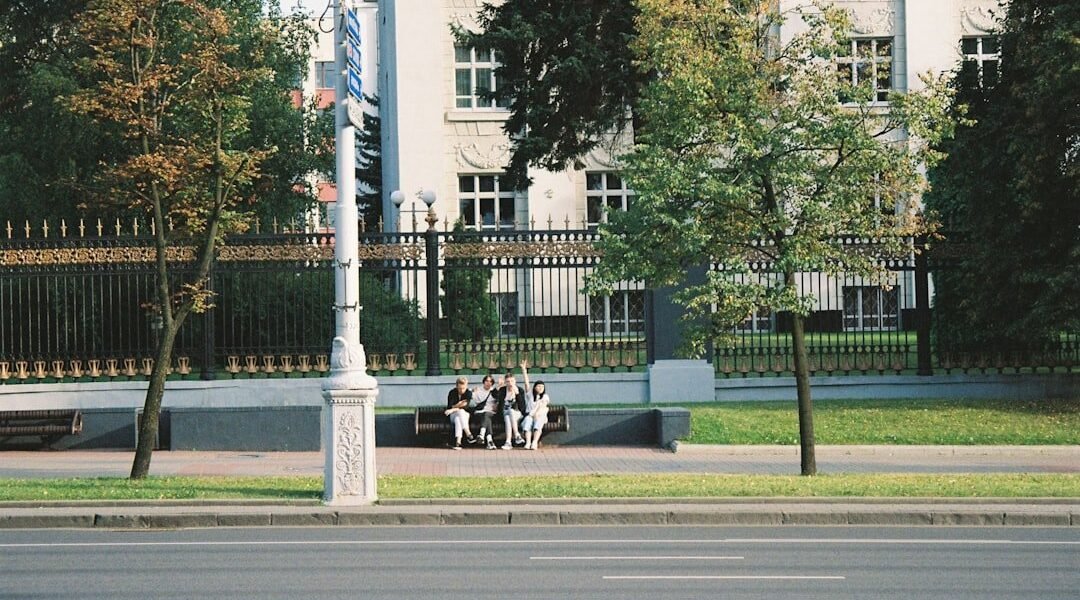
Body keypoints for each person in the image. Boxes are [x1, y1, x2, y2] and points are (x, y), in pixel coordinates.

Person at [520, 362, 550, 450]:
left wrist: (536, 414)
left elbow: (542, 407)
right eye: (539, 386)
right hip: (529, 415)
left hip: (540, 415)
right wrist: (524, 370)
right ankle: (528, 442)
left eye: (542, 387)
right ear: (535, 387)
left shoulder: (545, 396)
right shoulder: (530, 395)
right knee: (527, 423)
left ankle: (534, 442)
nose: (540, 388)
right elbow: (526, 383)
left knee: (538, 423)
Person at [495, 370, 526, 450]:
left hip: (517, 414)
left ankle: (509, 441)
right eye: (508, 381)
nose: (510, 383)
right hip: (504, 414)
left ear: (515, 381)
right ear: (505, 382)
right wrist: (498, 386)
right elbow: (494, 396)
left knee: (510, 412)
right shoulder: (502, 390)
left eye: (512, 381)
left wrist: (517, 394)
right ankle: (516, 437)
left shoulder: (520, 390)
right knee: (507, 416)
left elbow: (522, 407)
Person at [444, 376, 477, 450]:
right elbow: (450, 405)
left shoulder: (468, 393)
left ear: (466, 386)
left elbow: (465, 407)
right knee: (459, 414)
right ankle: (468, 434)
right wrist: (458, 405)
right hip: (453, 415)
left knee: (459, 416)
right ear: (456, 386)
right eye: (459, 388)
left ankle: (458, 442)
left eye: (463, 388)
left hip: (465, 415)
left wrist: (453, 408)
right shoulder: (452, 392)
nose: (461, 390)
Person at [471, 374, 499, 450]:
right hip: (479, 413)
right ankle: (490, 441)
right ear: (483, 382)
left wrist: (496, 405)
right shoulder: (478, 390)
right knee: (486, 418)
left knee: (487, 415)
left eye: (490, 381)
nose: (488, 383)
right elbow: (472, 397)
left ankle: (482, 435)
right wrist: (472, 391)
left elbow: (499, 400)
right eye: (486, 381)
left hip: (491, 413)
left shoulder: (494, 391)